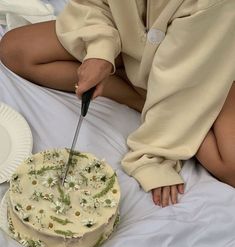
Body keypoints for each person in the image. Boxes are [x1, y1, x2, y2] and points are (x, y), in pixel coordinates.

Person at [0, 0, 234, 207]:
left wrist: (154, 154)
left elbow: (187, 73)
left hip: (205, 60)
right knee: (16, 49)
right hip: (134, 42)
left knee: (230, 166)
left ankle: (162, 105)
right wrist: (100, 52)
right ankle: (143, 98)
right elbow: (95, 4)